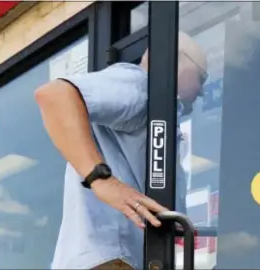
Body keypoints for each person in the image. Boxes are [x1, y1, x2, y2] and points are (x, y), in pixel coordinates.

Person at [34, 31, 208, 270]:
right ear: (179, 61)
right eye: (202, 77)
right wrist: (102, 180)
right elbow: (54, 96)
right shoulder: (143, 86)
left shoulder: (163, 117)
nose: (201, 91)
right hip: (112, 260)